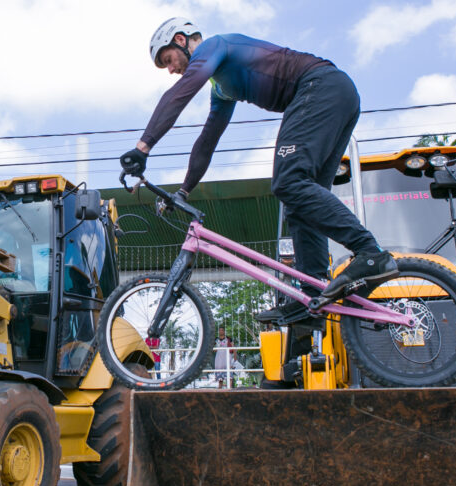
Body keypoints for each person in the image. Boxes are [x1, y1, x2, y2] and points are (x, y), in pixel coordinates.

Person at [120, 18, 398, 330]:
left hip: (320, 87)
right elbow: (208, 140)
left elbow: (179, 94)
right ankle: (314, 292)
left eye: (168, 60)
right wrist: (183, 191)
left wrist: (143, 147)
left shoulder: (215, 46)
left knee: (288, 181)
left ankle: (370, 253)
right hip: (337, 96)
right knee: (301, 203)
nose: (170, 69)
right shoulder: (222, 89)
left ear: (182, 40)